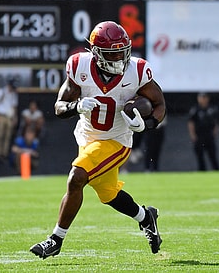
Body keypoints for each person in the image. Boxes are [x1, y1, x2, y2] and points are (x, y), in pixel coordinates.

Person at [29, 21, 166, 259]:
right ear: (96, 53)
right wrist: (76, 105)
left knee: (77, 177)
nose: (120, 59)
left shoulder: (137, 70)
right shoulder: (78, 66)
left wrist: (147, 124)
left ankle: (55, 239)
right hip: (87, 136)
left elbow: (159, 104)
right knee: (109, 194)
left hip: (117, 139)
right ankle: (146, 217)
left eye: (123, 52)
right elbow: (59, 107)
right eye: (113, 54)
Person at [187, 92, 219, 171]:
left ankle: (216, 170)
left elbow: (216, 122)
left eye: (204, 98)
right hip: (199, 135)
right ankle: (202, 170)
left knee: (212, 155)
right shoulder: (195, 109)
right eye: (201, 98)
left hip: (209, 134)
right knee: (200, 156)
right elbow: (191, 123)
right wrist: (193, 135)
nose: (203, 100)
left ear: (208, 99)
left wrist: (215, 132)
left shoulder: (212, 109)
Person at [0, 78, 19, 163]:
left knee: (7, 136)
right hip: (1, 115)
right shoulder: (1, 92)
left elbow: (14, 106)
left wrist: (15, 117)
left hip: (9, 117)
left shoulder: (14, 94)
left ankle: (4, 153)